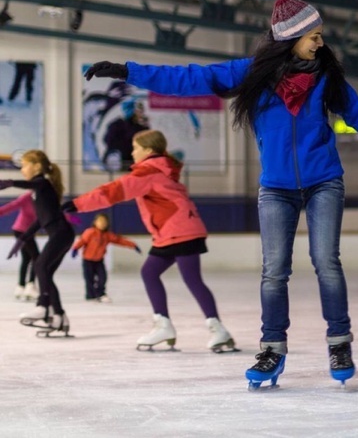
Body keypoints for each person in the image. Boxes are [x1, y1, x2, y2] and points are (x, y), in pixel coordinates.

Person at [83, 0, 358, 387]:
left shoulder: (327, 79)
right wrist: (127, 71)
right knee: (273, 271)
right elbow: (188, 77)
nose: (320, 44)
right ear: (290, 38)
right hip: (276, 188)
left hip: (324, 182)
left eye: (320, 36)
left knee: (326, 262)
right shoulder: (249, 74)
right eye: (313, 37)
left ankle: (339, 342)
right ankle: (272, 348)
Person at [62, 130, 236, 353]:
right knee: (150, 272)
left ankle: (217, 328)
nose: (132, 152)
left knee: (192, 279)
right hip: (172, 231)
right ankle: (164, 325)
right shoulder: (161, 170)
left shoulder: (149, 172)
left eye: (135, 148)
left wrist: (78, 204)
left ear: (148, 150)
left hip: (181, 231)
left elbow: (113, 191)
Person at [0, 150, 74, 336]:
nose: (22, 169)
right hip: (61, 233)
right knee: (46, 273)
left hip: (60, 233)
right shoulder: (38, 191)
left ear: (37, 166)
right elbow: (40, 220)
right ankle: (59, 316)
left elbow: (32, 183)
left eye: (25, 165)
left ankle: (43, 306)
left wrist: (10, 183)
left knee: (40, 264)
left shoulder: (42, 184)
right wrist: (23, 238)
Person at [71, 213, 141, 303]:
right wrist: (75, 249)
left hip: (99, 260)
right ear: (95, 222)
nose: (102, 223)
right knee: (89, 279)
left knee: (102, 277)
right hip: (87, 260)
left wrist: (133, 245)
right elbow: (82, 241)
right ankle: (90, 295)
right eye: (100, 221)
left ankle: (100, 293)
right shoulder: (90, 232)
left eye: (104, 222)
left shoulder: (108, 235)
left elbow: (119, 240)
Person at [0, 191, 39, 300]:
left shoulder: (45, 198)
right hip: (20, 231)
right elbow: (12, 205)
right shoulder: (27, 197)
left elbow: (59, 213)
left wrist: (76, 220)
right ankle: (30, 285)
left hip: (30, 232)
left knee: (27, 258)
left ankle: (21, 286)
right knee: (37, 257)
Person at [102, 97, 149, 170]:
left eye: (141, 110)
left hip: (133, 164)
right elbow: (108, 141)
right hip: (121, 163)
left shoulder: (141, 127)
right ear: (132, 111)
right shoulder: (117, 125)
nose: (141, 113)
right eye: (139, 110)